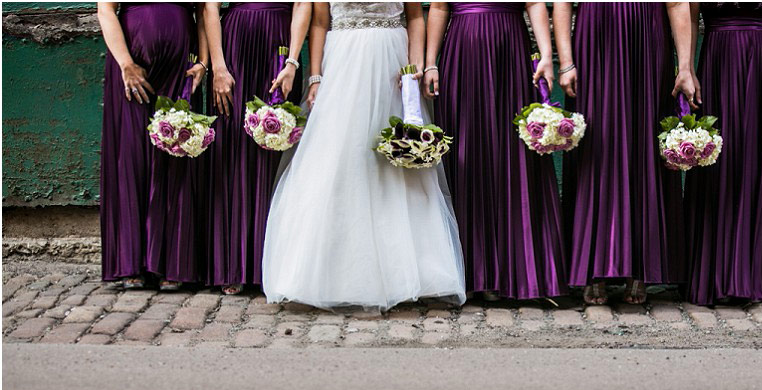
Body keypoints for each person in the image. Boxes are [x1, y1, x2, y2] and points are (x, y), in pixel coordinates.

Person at [261, 2, 466, 312]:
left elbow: (414, 16)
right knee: (340, 160)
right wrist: (315, 76)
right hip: (343, 64)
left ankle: (413, 270)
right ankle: (334, 273)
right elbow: (319, 24)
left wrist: (415, 67)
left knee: (393, 163)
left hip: (391, 65)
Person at [553, 2, 697, 305]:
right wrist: (566, 62)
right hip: (595, 41)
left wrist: (684, 67)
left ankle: (639, 268)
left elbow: (676, 3)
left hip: (647, 42)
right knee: (596, 149)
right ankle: (593, 268)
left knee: (641, 146)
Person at [424, 3, 568, 302]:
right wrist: (430, 62)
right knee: (466, 157)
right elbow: (438, 7)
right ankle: (471, 273)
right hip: (462, 55)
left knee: (513, 156)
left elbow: (534, 3)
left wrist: (545, 56)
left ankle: (517, 272)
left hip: (509, 52)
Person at [683, 2, 762, 306]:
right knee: (717, 167)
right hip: (718, 66)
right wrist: (689, 70)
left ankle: (748, 278)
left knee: (755, 169)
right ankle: (710, 277)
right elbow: (691, 19)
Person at [97, 2, 207, 290]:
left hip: (180, 66)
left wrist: (203, 62)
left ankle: (174, 263)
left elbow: (204, 12)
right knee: (130, 155)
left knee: (175, 155)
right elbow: (106, 10)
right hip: (131, 64)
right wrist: (125, 63)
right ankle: (130, 262)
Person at [203, 2, 311, 296]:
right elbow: (210, 7)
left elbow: (304, 4)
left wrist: (292, 62)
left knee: (274, 150)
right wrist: (219, 66)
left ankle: (271, 265)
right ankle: (232, 265)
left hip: (279, 45)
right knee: (233, 152)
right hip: (236, 45)